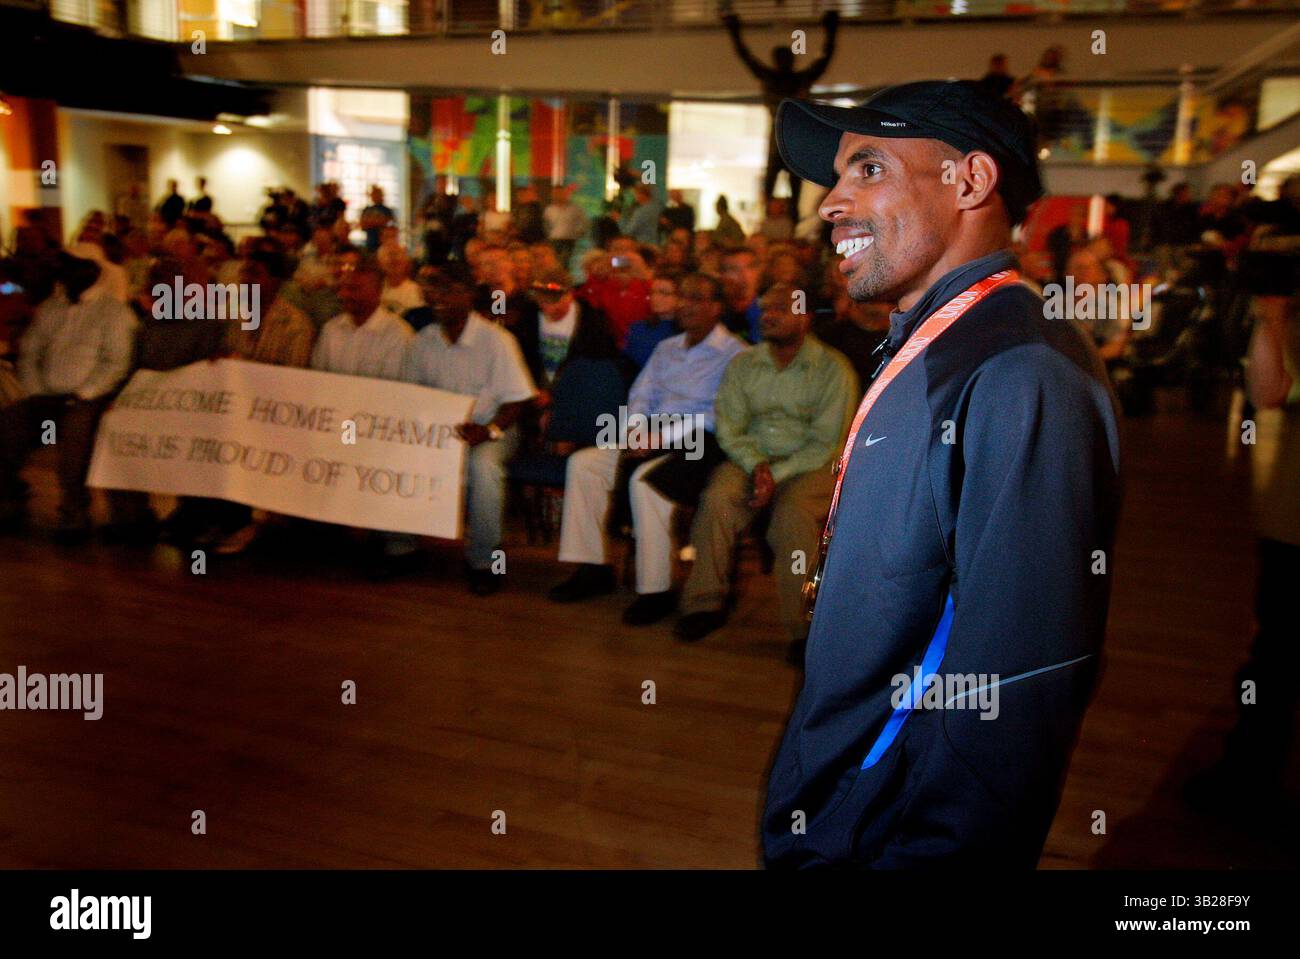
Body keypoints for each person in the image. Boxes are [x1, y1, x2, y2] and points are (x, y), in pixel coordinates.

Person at [763, 80, 1122, 868]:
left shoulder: (1023, 372)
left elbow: (1022, 677)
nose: (830, 202)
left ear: (971, 182)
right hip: (844, 795)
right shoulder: (936, 342)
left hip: (891, 828)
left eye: (868, 169)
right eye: (837, 177)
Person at [548, 273, 745, 624]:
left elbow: (718, 415)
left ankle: (656, 589)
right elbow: (641, 394)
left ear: (716, 307)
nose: (685, 304)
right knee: (584, 464)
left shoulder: (734, 353)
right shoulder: (667, 348)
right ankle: (593, 568)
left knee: (644, 481)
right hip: (650, 435)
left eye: (696, 298)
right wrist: (636, 430)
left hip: (699, 443)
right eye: (682, 296)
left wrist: (659, 439)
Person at [676, 281, 857, 645]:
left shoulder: (833, 370)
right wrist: (757, 466)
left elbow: (825, 443)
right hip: (750, 459)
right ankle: (703, 604)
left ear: (805, 317)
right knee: (717, 501)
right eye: (765, 310)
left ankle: (805, 630)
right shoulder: (744, 364)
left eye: (780, 309)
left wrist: (771, 475)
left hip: (811, 465)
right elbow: (730, 427)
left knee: (792, 516)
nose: (768, 316)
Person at [401, 262, 536, 594]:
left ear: (467, 294)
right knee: (396, 453)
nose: (435, 297)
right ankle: (399, 548)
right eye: (430, 290)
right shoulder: (423, 341)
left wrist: (488, 430)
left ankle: (484, 561)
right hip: (438, 429)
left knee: (484, 466)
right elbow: (409, 394)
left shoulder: (496, 340)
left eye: (445, 289)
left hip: (493, 428)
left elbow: (516, 400)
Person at [0, 252, 137, 541]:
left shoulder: (113, 312)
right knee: (9, 425)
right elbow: (31, 350)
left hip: (89, 398)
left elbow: (116, 361)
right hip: (46, 394)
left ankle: (74, 512)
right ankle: (9, 496)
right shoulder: (52, 308)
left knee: (75, 441)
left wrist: (83, 393)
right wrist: (36, 390)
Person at [723, 9, 840, 209]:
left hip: (788, 138)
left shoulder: (781, 78)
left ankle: (783, 223)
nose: (784, 63)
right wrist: (831, 30)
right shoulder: (789, 79)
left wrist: (734, 30)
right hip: (785, 137)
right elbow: (746, 56)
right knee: (779, 189)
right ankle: (776, 221)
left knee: (788, 190)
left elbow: (746, 56)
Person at [624, 269, 681, 370]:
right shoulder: (638, 328)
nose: (655, 298)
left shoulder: (689, 332)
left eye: (664, 293)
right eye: (652, 292)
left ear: (680, 297)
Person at [720, 246, 763, 343]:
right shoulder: (713, 314)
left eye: (750, 267)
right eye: (734, 269)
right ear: (722, 276)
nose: (743, 276)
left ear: (758, 272)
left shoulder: (770, 313)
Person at [543, 184, 589, 268]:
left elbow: (584, 223)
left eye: (560, 193)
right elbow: (546, 225)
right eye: (555, 193)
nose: (557, 196)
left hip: (569, 239)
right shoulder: (549, 210)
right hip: (554, 239)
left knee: (565, 262)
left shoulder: (575, 209)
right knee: (554, 261)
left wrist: (577, 233)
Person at [360, 185, 395, 253]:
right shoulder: (367, 210)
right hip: (370, 243)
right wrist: (377, 221)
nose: (375, 196)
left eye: (377, 194)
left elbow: (387, 224)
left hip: (383, 244)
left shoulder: (386, 210)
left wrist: (371, 222)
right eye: (373, 194)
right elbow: (362, 225)